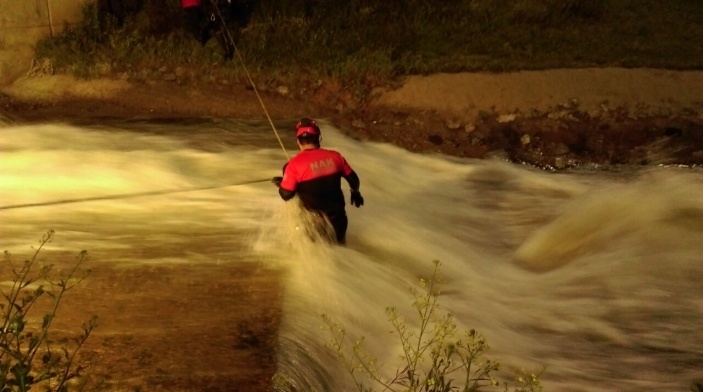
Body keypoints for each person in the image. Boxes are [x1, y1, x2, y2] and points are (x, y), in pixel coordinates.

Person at [272, 118, 364, 244]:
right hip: (338, 218)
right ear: (318, 138)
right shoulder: (335, 157)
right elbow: (354, 179)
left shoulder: (292, 165)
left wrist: (282, 183)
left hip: (314, 221)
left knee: (318, 252)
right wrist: (355, 193)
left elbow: (286, 194)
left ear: (298, 141)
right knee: (340, 248)